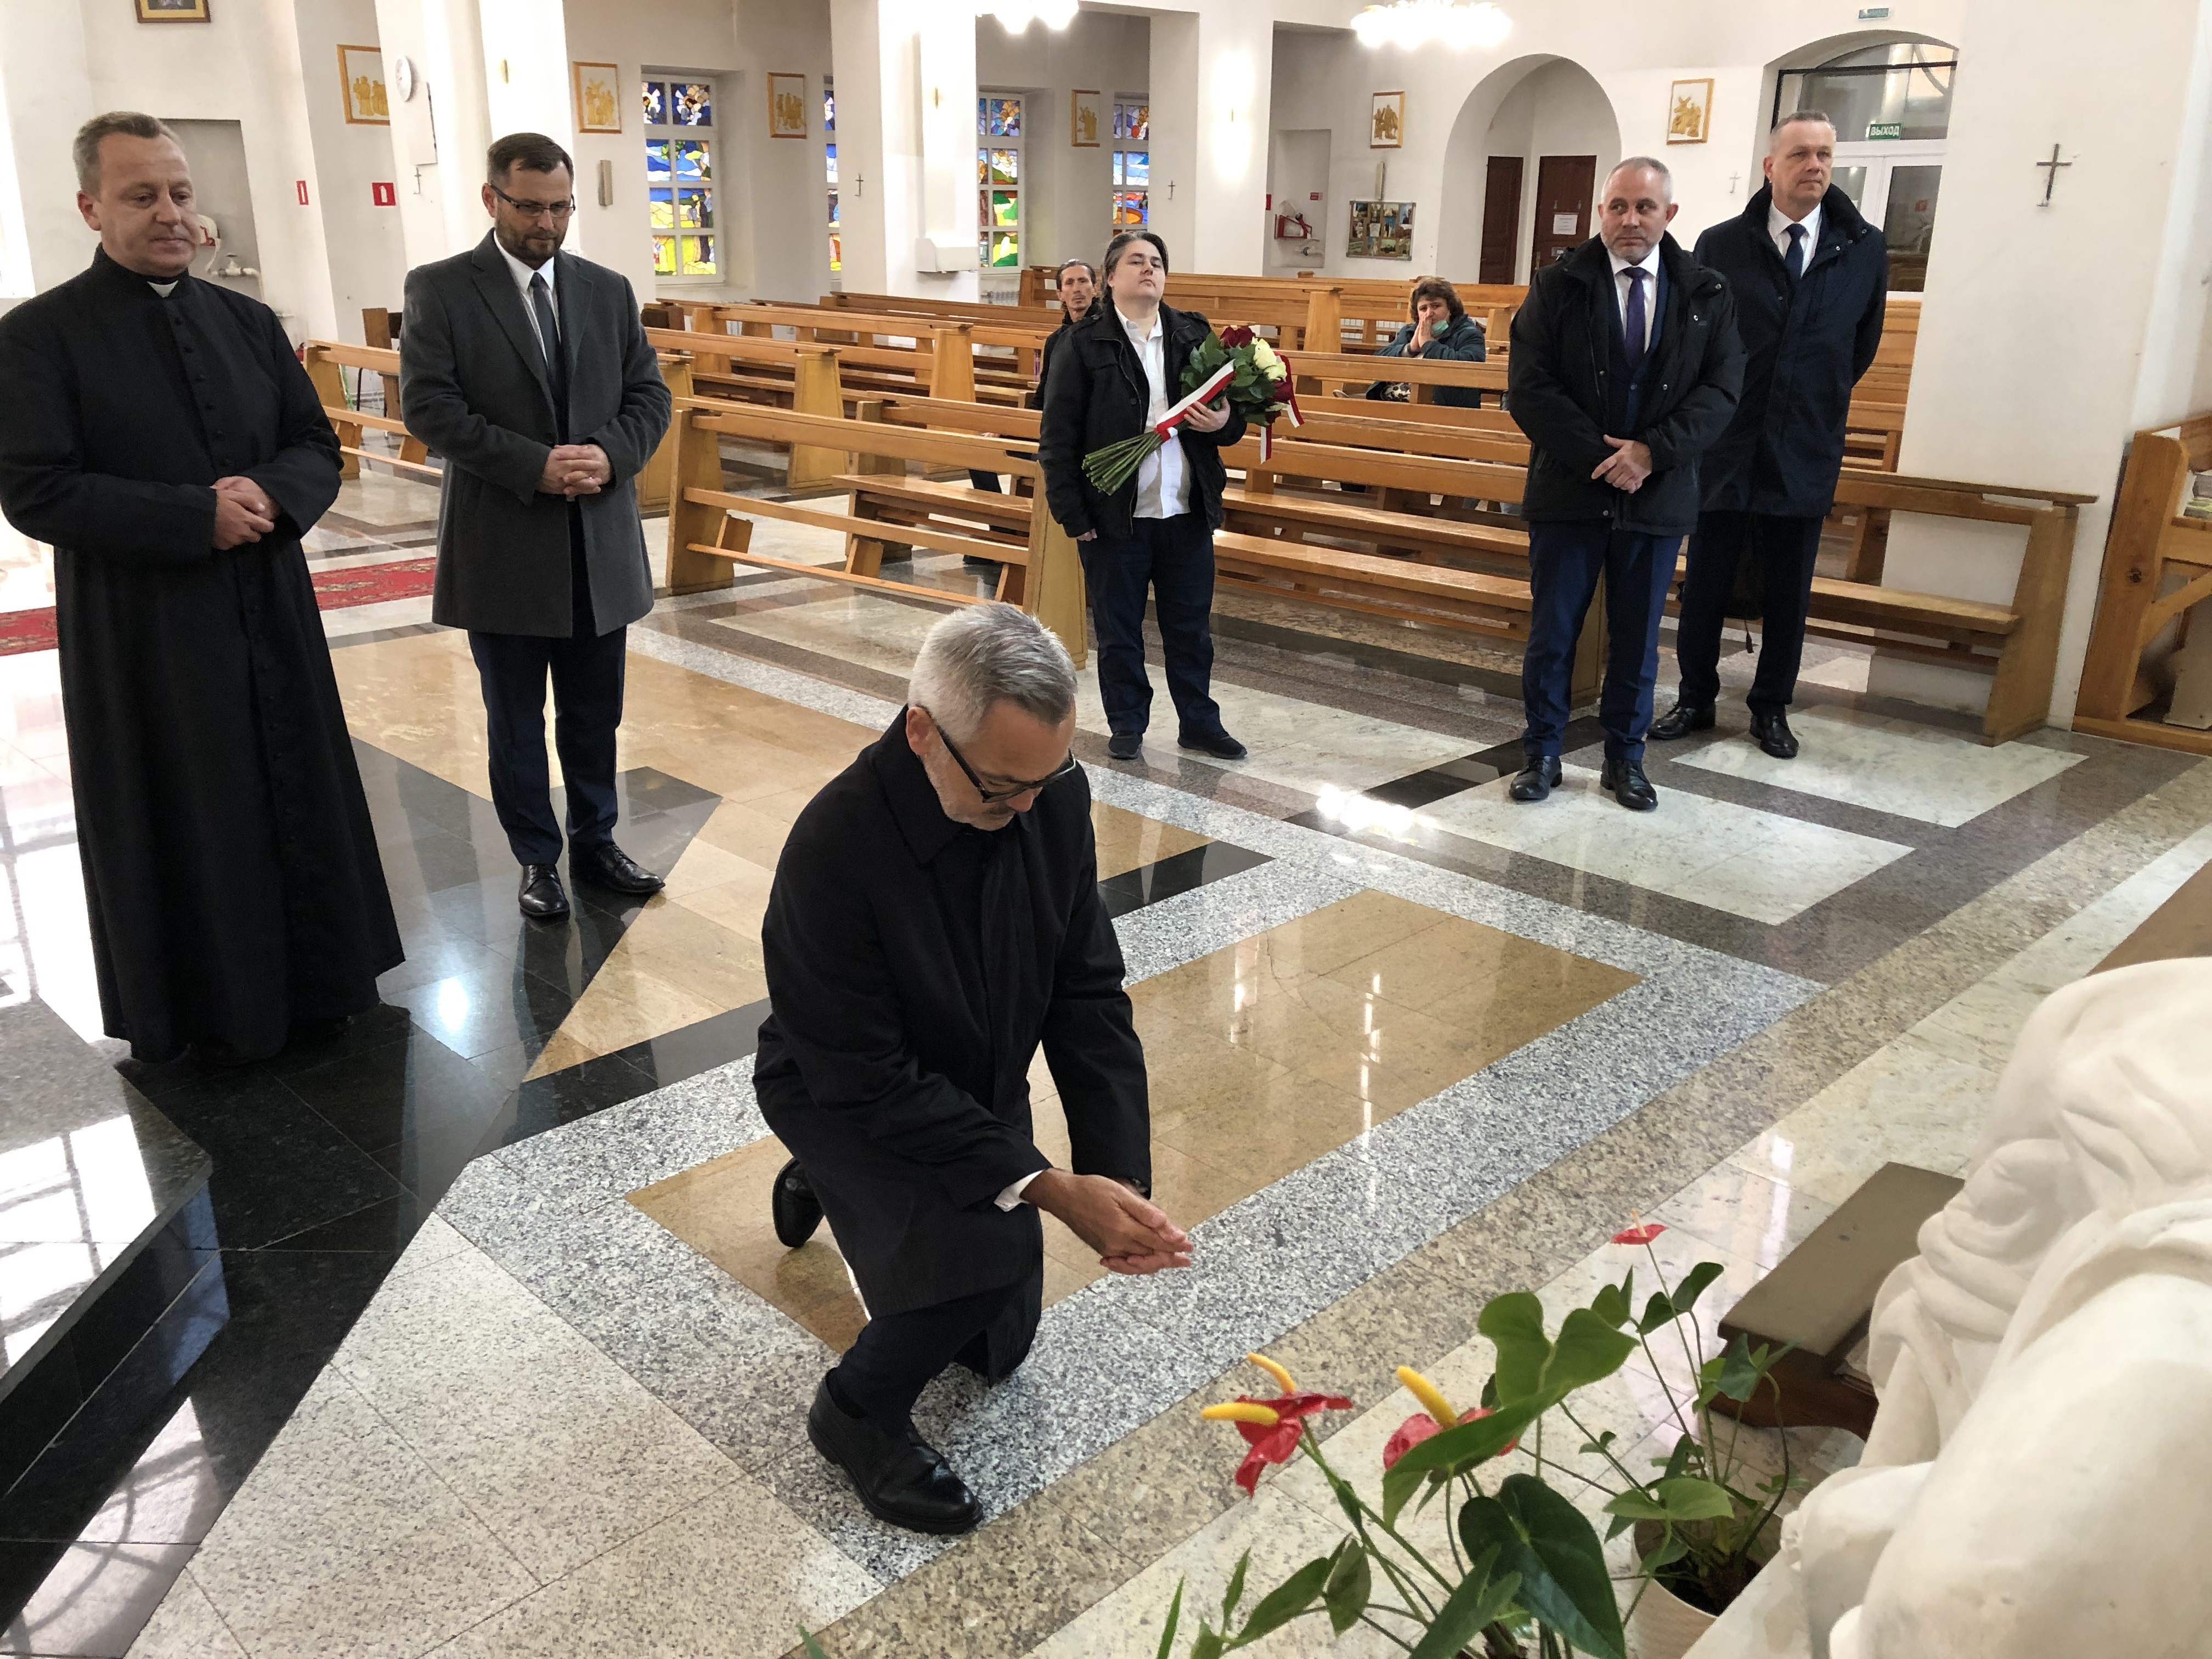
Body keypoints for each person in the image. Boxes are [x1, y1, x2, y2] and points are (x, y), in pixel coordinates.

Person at [755, 603, 1188, 1533]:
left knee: (998, 1351)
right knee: (989, 1262)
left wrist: (1114, 1173)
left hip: (967, 1079)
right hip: (842, 1084)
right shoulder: (833, 846)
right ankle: (856, 1410)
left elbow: (1086, 990)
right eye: (1000, 788)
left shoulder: (1048, 793)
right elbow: (865, 1075)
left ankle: (828, 1183)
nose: (1027, 808)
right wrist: (1048, 1187)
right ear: (922, 730)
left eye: (1046, 779)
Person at [0, 112, 402, 1065]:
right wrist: (193, 516)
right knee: (188, 805)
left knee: (292, 785)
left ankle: (321, 985)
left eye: (180, 193)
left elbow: (315, 444)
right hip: (146, 629)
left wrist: (269, 493)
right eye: (142, 196)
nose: (171, 213)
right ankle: (207, 1011)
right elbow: (35, 488)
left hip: (270, 600)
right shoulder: (37, 337)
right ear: (92, 207)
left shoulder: (249, 322)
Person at [401, 133, 672, 921]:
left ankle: (597, 840)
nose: (546, 224)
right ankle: (536, 859)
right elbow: (430, 407)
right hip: (504, 544)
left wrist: (608, 455)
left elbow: (649, 396)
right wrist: (535, 466)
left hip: (597, 546)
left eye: (560, 208)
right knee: (516, 720)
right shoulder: (442, 289)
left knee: (594, 715)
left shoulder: (606, 290)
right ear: (492, 198)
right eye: (529, 207)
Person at [1505, 156, 1743, 812]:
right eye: (1618, 206)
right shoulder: (1558, 285)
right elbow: (1530, 387)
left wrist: (1651, 453)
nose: (1630, 219)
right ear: (1600, 212)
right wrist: (1604, 458)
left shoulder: (1706, 292)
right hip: (1570, 488)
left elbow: (1722, 390)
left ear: (1670, 215)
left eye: (1645, 207)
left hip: (1658, 492)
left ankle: (1625, 759)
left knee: (1638, 640)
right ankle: (1542, 752)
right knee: (1554, 633)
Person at [1652, 111, 1888, 760]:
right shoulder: (1723, 244)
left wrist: (1814, 394)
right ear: (1770, 166)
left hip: (1806, 439)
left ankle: (1771, 707)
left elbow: (1859, 346)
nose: (1815, 166)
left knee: (1790, 587)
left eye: (1825, 156)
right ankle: (1695, 697)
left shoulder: (1862, 247)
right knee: (1706, 578)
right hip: (1726, 439)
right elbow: (1696, 339)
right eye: (1801, 155)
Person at [1037, 230, 1248, 763]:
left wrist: (1224, 422)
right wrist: (1073, 515)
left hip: (1186, 511)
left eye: (1157, 262)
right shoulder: (1083, 344)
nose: (1149, 269)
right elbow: (1057, 439)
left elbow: (1232, 419)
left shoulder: (1193, 334)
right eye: (1136, 261)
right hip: (1115, 517)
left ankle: (1200, 723)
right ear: (1111, 278)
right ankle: (1128, 724)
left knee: (1191, 631)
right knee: (1119, 633)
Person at [1368, 276, 1487, 408]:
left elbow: (1469, 368)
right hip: (1392, 403)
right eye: (1423, 309)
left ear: (1450, 309)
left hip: (1442, 407)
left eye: (1436, 306)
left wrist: (1428, 345)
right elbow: (1378, 360)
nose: (1429, 313)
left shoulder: (1469, 334)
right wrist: (1410, 349)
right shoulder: (1409, 332)